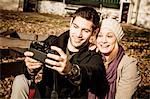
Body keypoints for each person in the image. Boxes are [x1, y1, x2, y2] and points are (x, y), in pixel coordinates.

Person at [11, 7, 108, 99]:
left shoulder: (94, 56)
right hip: (44, 95)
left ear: (94, 32)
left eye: (85, 31)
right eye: (75, 27)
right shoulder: (52, 42)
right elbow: (24, 73)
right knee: (20, 80)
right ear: (70, 23)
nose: (78, 34)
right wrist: (30, 69)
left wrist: (71, 70)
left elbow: (93, 74)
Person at [89, 18, 141, 99]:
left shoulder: (128, 65)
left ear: (116, 40)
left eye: (109, 36)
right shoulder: (91, 57)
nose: (103, 41)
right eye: (100, 35)